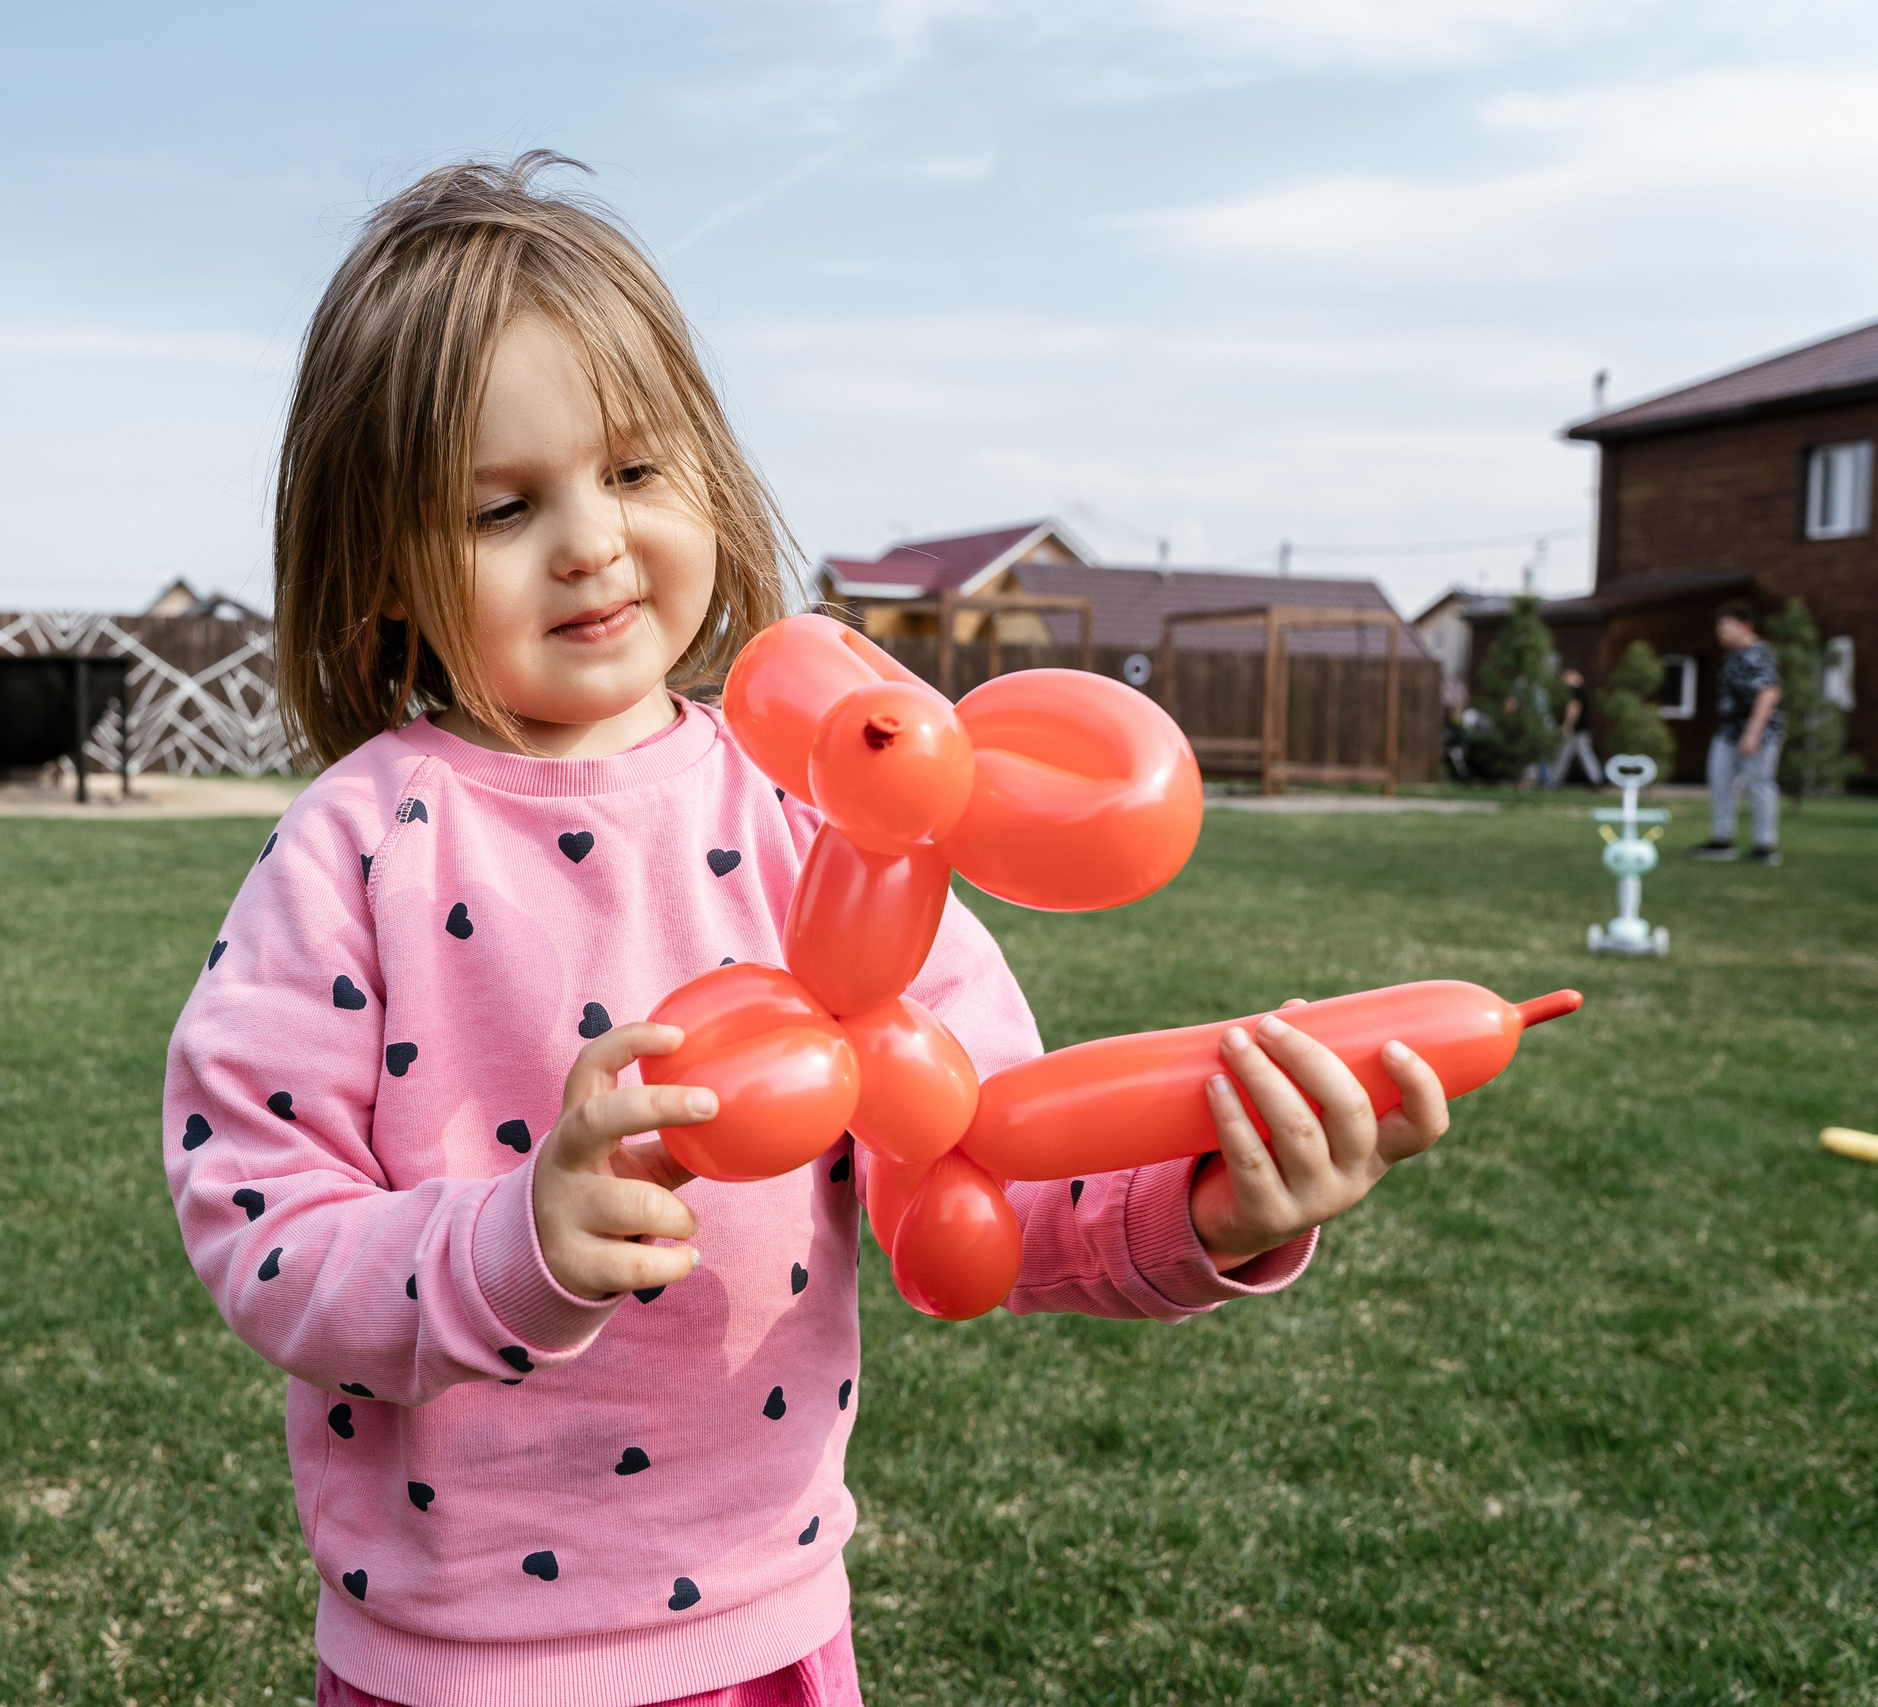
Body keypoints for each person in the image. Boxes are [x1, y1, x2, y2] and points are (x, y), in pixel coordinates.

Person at [161, 155, 1454, 1707]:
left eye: (634, 473)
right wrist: (513, 1242)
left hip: (761, 1625)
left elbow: (982, 1169)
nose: (590, 542)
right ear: (381, 568)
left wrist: (1213, 1205)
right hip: (456, 1655)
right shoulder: (353, 843)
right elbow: (258, 1217)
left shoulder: (824, 815)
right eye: (506, 505)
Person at [1690, 601, 1784, 865]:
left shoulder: (1759, 654)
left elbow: (1769, 692)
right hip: (1728, 730)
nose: (1721, 633)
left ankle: (1764, 846)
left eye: (1726, 627)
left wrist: (1753, 732)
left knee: (1759, 784)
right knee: (1720, 781)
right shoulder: (1731, 655)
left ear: (1745, 627)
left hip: (1759, 733)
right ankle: (1722, 840)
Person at [1541, 668, 1601, 786]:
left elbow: (1573, 709)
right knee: (1583, 754)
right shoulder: (1582, 691)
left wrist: (1567, 726)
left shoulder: (1574, 691)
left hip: (1574, 730)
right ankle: (1596, 779)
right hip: (1581, 730)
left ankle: (1553, 781)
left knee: (1563, 755)